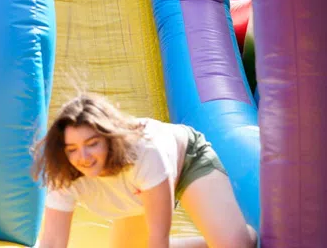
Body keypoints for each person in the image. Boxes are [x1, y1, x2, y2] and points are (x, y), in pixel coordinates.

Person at [32, 93, 258, 248]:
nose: (84, 157)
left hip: (186, 161)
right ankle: (212, 239)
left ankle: (239, 233)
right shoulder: (64, 172)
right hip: (138, 193)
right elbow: (52, 242)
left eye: (92, 144)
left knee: (233, 246)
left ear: (109, 138)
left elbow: (158, 238)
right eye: (72, 149)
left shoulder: (144, 152)